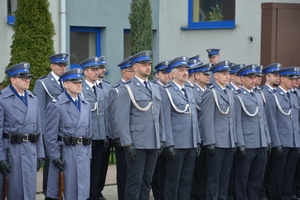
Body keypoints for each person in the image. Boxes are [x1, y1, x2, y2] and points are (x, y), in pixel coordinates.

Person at [115, 50, 165, 200]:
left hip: (153, 141)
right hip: (137, 142)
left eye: (148, 64)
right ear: (135, 67)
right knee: (134, 181)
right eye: (144, 64)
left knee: (146, 182)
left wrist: (162, 137)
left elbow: (159, 114)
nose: (147, 67)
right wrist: (127, 143)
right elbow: (121, 118)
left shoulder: (155, 87)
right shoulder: (127, 88)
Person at [44, 68, 92, 200]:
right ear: (65, 84)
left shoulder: (85, 104)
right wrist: (54, 156)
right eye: (74, 82)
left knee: (82, 192)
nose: (79, 85)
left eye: (80, 82)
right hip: (66, 153)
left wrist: (89, 154)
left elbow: (89, 133)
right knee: (67, 192)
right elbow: (50, 135)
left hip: (82, 153)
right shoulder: (57, 105)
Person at [0, 62, 44, 199]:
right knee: (15, 191)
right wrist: (0, 158)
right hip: (11, 152)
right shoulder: (2, 99)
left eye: (29, 77)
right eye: (23, 77)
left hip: (30, 150)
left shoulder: (33, 99)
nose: (27, 80)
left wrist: (40, 153)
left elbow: (38, 128)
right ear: (13, 79)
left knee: (29, 191)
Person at [161, 56, 201, 200]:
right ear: (172, 73)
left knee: (186, 180)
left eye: (186, 70)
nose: (185, 73)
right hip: (176, 143)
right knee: (173, 180)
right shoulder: (166, 92)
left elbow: (194, 118)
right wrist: (169, 144)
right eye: (181, 70)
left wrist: (196, 141)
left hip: (190, 142)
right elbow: (165, 119)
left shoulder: (189, 91)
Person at [199, 60, 236, 200]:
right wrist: (210, 141)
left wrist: (234, 140)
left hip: (229, 142)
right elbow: (206, 119)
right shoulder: (211, 93)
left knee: (224, 179)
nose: (228, 76)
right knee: (214, 179)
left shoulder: (229, 93)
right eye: (224, 74)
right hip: (217, 142)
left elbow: (231, 119)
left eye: (228, 74)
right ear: (216, 76)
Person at [33, 53, 68, 199]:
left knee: (63, 166)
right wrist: (42, 135)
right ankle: (49, 195)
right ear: (52, 66)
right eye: (59, 65)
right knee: (51, 166)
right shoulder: (43, 83)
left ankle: (62, 192)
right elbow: (40, 110)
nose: (62, 68)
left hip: (65, 132)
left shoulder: (68, 82)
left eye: (64, 65)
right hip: (50, 132)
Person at [234, 64, 271, 200]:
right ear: (242, 78)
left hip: (260, 142)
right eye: (250, 77)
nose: (253, 80)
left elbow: (263, 120)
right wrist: (241, 144)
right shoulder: (237, 96)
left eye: (255, 77)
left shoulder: (257, 94)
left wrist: (267, 139)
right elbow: (237, 122)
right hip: (247, 143)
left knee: (257, 177)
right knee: (242, 176)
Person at [265, 67, 300, 200]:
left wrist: (298, 141)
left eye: (294, 79)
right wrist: (276, 143)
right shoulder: (273, 97)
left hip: (293, 140)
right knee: (278, 173)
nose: (293, 81)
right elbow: (271, 121)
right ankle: (276, 196)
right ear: (282, 79)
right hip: (281, 141)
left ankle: (287, 195)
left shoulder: (293, 96)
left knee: (290, 172)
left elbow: (296, 120)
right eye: (290, 79)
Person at [79, 56, 108, 200]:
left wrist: (107, 134)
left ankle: (96, 194)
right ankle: (89, 195)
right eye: (93, 70)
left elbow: (105, 114)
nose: (96, 72)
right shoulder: (81, 90)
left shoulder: (101, 89)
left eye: (97, 69)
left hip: (102, 135)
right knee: (89, 169)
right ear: (85, 72)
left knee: (100, 169)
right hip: (89, 136)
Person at [107, 56, 134, 200]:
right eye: (131, 71)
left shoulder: (136, 88)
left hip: (136, 136)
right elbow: (113, 115)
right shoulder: (116, 90)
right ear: (124, 72)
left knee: (134, 172)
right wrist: (117, 136)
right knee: (124, 171)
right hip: (123, 138)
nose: (134, 73)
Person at [259, 63, 281, 200]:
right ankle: (263, 194)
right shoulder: (262, 92)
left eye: (279, 75)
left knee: (274, 170)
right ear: (267, 77)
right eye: (275, 75)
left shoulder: (278, 93)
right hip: (267, 136)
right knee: (264, 170)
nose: (278, 78)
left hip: (279, 136)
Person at [190, 63, 211, 200]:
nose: (209, 77)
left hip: (208, 137)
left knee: (206, 170)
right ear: (197, 76)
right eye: (205, 74)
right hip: (198, 137)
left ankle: (203, 194)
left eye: (209, 74)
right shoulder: (191, 91)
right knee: (196, 171)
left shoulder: (210, 91)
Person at [151, 60, 169, 200]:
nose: (166, 76)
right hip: (154, 136)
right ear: (157, 75)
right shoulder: (153, 88)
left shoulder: (171, 88)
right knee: (156, 171)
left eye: (168, 73)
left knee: (165, 170)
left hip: (166, 136)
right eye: (163, 73)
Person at [96, 57, 112, 200]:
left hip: (106, 132)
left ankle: (99, 190)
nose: (103, 70)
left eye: (103, 67)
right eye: (100, 67)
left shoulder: (108, 86)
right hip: (94, 134)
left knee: (103, 166)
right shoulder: (83, 86)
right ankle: (92, 192)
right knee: (93, 167)